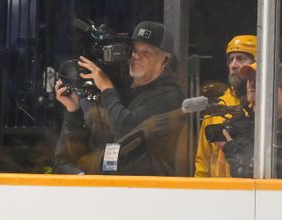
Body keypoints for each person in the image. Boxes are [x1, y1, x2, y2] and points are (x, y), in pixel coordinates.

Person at [54, 21, 185, 176]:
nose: (136, 56)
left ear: (165, 61)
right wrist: (73, 110)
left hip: (144, 192)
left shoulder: (169, 97)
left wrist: (106, 88)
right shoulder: (117, 94)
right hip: (105, 189)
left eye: (146, 52)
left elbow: (127, 132)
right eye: (134, 50)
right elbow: (65, 160)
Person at [194, 35, 256, 177]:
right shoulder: (216, 109)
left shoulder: (263, 108)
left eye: (240, 58)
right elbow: (202, 165)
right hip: (218, 194)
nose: (233, 65)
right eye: (231, 59)